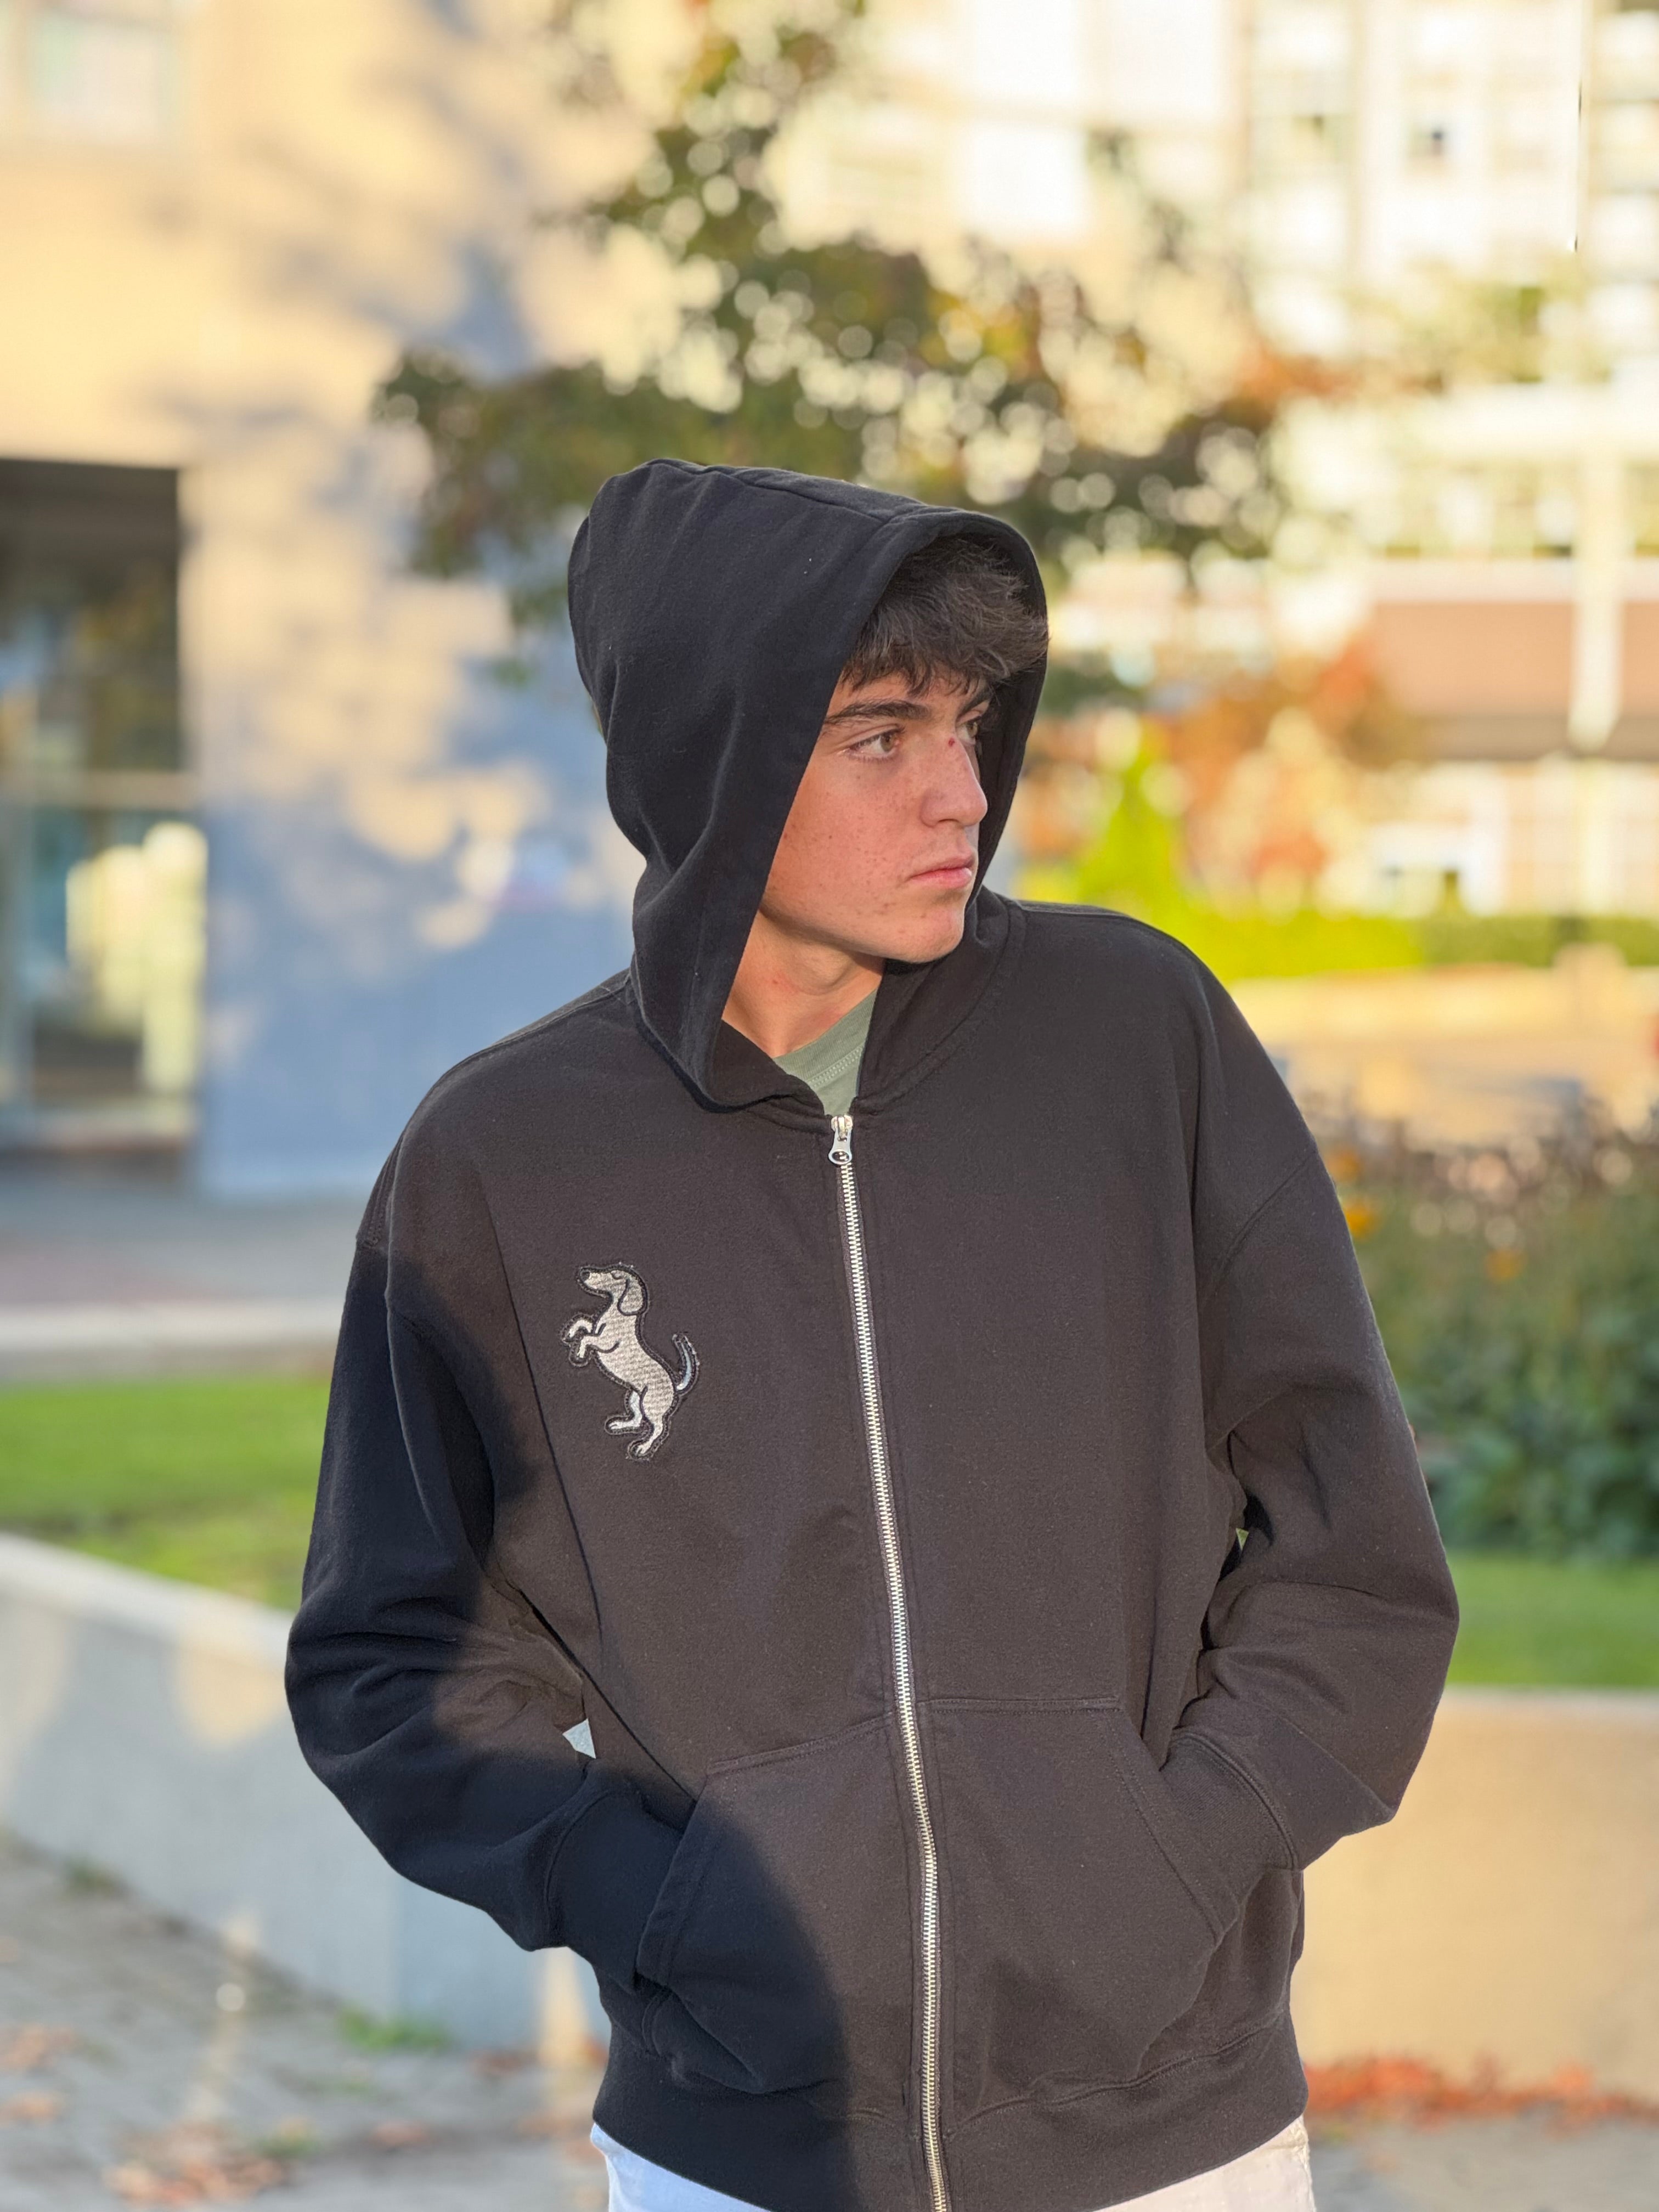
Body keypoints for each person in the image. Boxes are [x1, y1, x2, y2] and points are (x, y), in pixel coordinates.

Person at [286, 460, 1459, 2212]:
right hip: (741, 2153)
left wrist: (1174, 1859)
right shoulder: (505, 1160)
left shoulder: (1134, 1042)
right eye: (880, 736)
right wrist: (669, 1906)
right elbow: (395, 1661)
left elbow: (1355, 1560)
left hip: (1169, 2135)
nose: (963, 791)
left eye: (969, 726)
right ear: (715, 754)